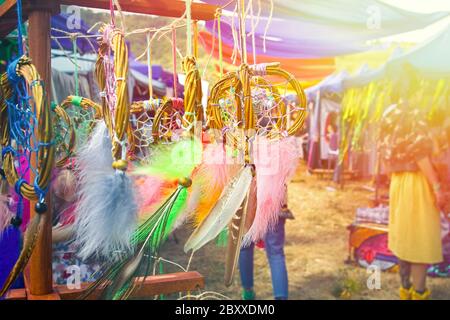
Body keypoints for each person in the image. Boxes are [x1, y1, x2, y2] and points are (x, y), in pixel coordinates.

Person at [380, 101, 448, 300]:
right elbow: (420, 154)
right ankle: (418, 293)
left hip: (399, 181)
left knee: (404, 239)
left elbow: (383, 157)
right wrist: (436, 187)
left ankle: (405, 289)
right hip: (418, 181)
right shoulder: (416, 112)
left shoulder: (389, 112)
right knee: (420, 241)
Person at [238, 185, 293, 300]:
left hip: (246, 197)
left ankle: (248, 293)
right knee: (276, 253)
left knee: (245, 245)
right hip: (274, 198)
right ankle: (280, 297)